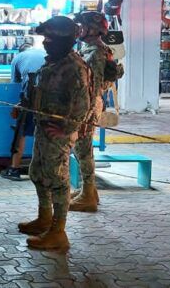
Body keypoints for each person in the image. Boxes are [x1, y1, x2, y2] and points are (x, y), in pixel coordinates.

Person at [17, 16, 91, 251]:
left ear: (63, 40)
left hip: (58, 133)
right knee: (38, 172)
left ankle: (58, 232)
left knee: (58, 179)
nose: (46, 42)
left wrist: (66, 129)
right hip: (43, 126)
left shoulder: (74, 67)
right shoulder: (53, 62)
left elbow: (83, 104)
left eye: (50, 38)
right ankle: (44, 218)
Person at [70, 11, 118, 213]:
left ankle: (88, 195)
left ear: (92, 29)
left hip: (88, 105)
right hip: (90, 104)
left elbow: (93, 85)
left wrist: (85, 114)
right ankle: (87, 190)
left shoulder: (96, 53)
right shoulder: (93, 49)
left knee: (83, 148)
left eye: (82, 26)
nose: (79, 30)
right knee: (81, 149)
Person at [2, 36, 46, 181]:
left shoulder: (18, 58)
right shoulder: (43, 52)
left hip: (31, 95)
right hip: (50, 94)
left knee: (21, 131)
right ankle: (44, 168)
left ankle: (14, 169)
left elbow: (15, 83)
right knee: (46, 130)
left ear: (20, 50)